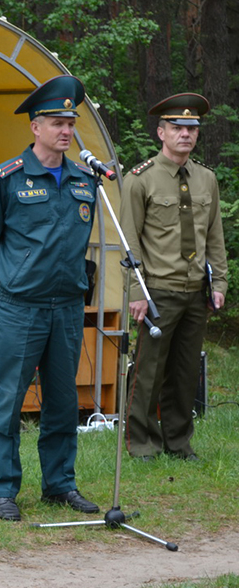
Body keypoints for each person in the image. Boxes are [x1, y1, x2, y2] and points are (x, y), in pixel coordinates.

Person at [0, 75, 100, 521]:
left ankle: (60, 485)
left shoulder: (84, 180)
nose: (66, 130)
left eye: (71, 123)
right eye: (57, 123)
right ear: (35, 127)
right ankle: (3, 491)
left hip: (67, 308)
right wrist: (14, 282)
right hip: (20, 308)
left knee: (63, 401)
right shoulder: (5, 178)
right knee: (8, 400)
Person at [120, 93, 227, 462]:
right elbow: (129, 241)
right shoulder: (140, 180)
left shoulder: (206, 179)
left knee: (185, 373)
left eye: (192, 128)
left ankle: (178, 443)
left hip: (196, 290)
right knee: (149, 371)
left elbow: (214, 237)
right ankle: (142, 444)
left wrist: (219, 283)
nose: (186, 134)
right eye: (177, 127)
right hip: (157, 291)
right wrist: (136, 291)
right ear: (161, 132)